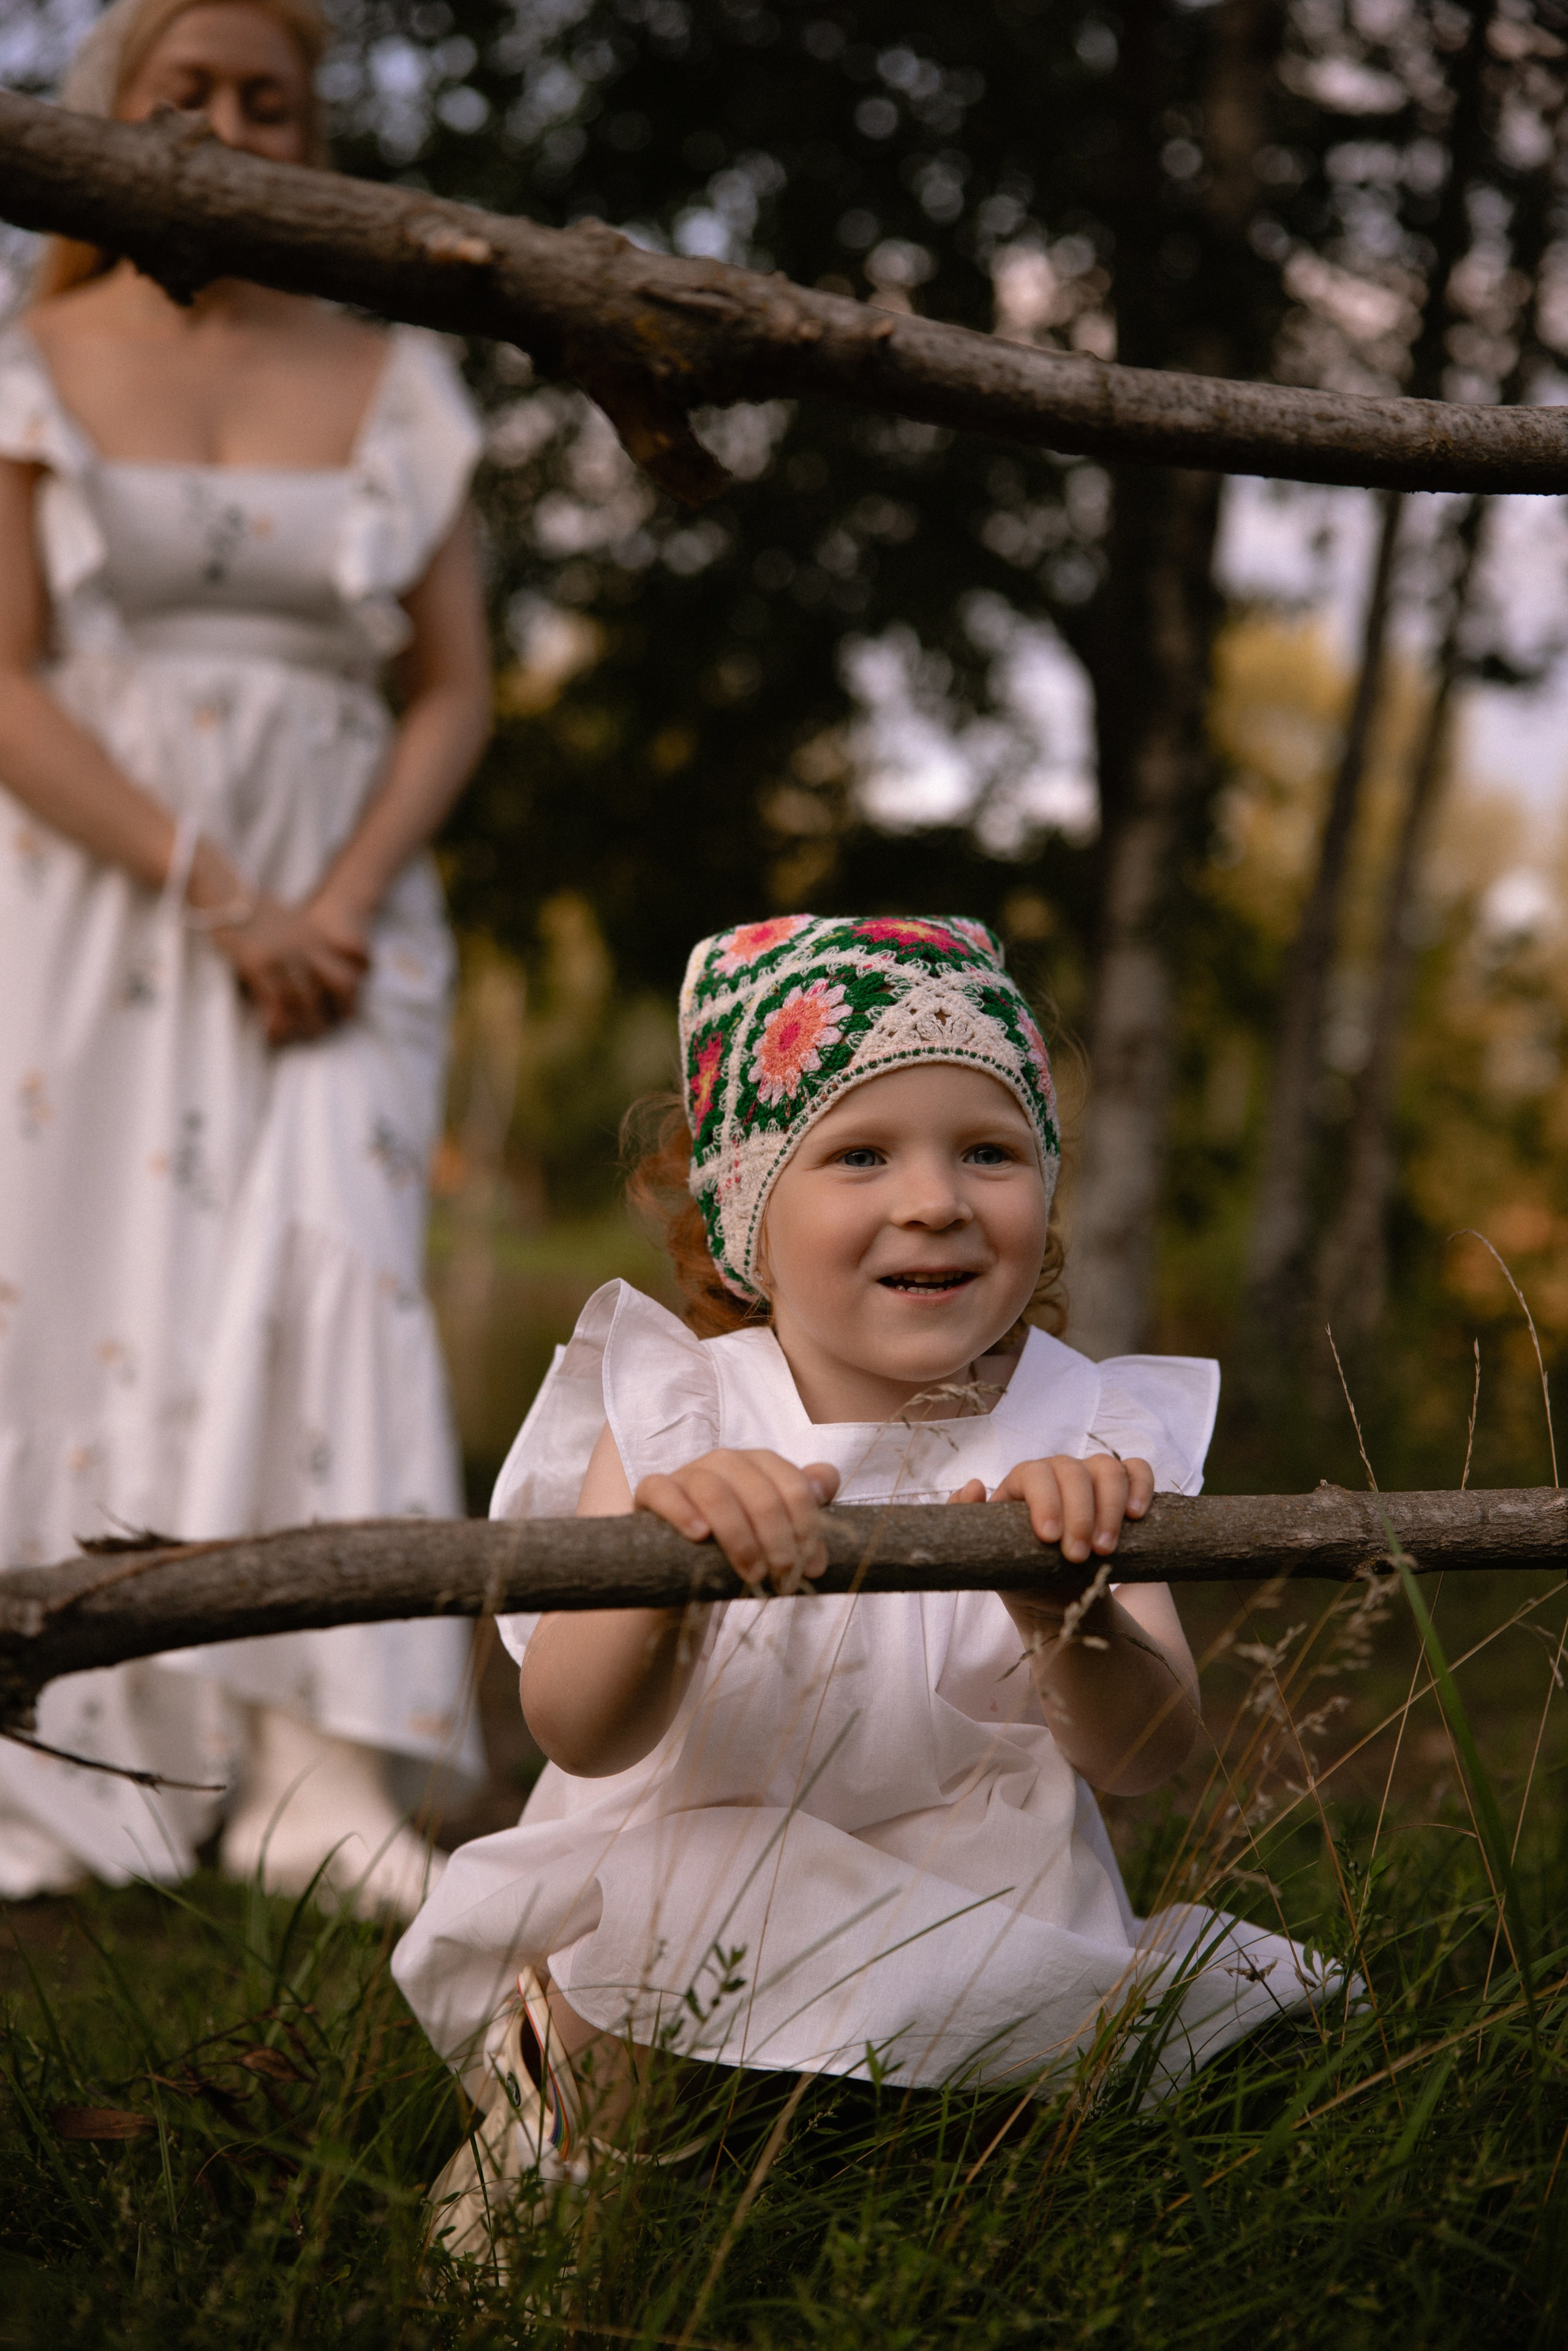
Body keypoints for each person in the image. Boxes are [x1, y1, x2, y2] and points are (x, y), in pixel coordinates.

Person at [393, 913, 1339, 2249]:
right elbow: (574, 1728)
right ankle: (568, 2167)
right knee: (665, 1923)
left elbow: (1145, 1749)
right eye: (858, 1154)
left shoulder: (1079, 1431)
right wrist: (673, 1578)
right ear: (743, 1219)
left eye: (988, 1151)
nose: (936, 1198)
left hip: (977, 1900)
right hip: (687, 1890)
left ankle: (915, 2171)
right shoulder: (681, 1410)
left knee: (1055, 2129)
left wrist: (1056, 1598)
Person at [0, 0, 492, 1912]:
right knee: (92, 1274)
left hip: (351, 906)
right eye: (182, 94)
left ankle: (320, 1760)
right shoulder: (31, 364)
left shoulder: (395, 377)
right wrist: (222, 893)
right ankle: (89, 1744)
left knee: (333, 1258)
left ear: (315, 138)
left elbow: (452, 689)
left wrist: (344, 897)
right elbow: (7, 677)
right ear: (104, 122)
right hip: (98, 888)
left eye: (268, 104)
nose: (224, 130)